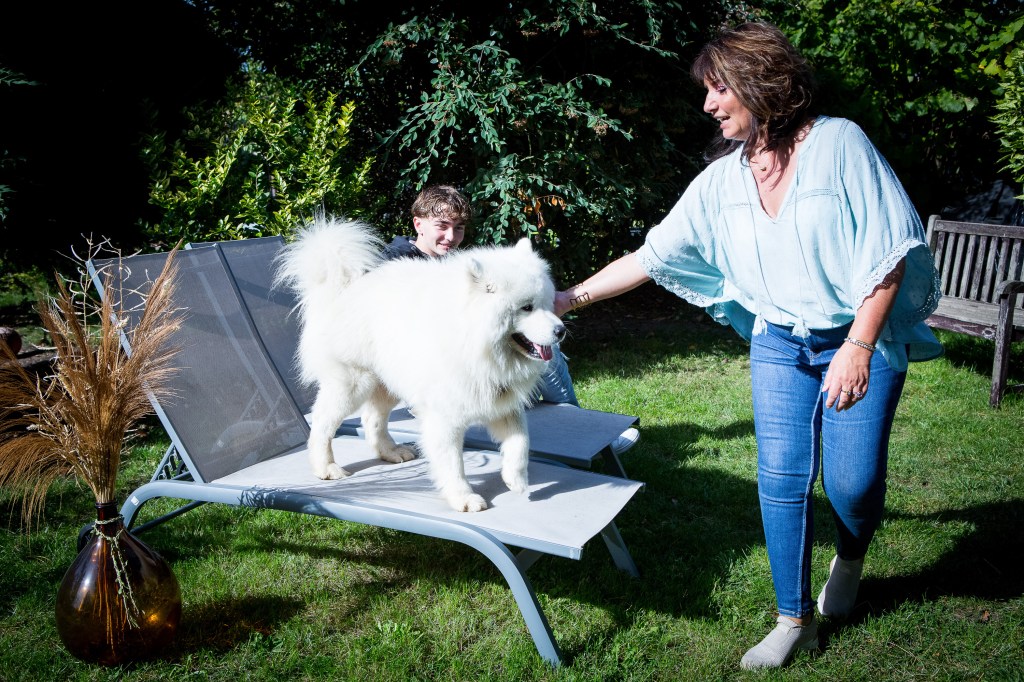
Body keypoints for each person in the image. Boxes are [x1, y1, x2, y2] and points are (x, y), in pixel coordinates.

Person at [553, 22, 942, 670]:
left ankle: (849, 560)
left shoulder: (840, 144)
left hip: (854, 336)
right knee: (782, 478)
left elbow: (889, 251)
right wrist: (569, 299)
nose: (708, 104)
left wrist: (859, 344)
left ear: (761, 82)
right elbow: (652, 256)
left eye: (717, 87)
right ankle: (794, 619)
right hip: (779, 344)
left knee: (853, 484)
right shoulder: (723, 181)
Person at [384, 184, 640, 455]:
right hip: (432, 380)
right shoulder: (394, 264)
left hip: (474, 369)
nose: (451, 236)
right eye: (442, 225)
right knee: (539, 352)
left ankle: (582, 431)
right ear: (418, 224)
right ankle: (582, 434)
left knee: (545, 349)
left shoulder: (460, 263)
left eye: (459, 227)